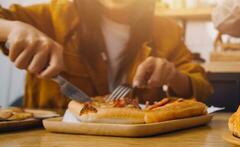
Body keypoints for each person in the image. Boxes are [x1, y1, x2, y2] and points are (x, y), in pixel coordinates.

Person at [0, 0, 213, 109]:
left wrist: (172, 75)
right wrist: (11, 29)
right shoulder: (55, 16)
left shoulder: (166, 30)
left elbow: (202, 88)